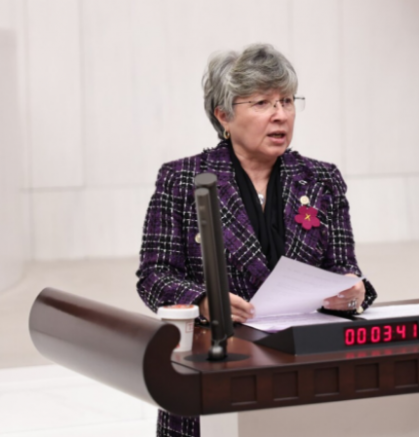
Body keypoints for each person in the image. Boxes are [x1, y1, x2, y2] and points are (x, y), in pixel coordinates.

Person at [136, 43, 377, 437]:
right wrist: (204, 301)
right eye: (263, 103)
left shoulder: (321, 180)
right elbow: (154, 276)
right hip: (218, 364)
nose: (280, 114)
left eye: (287, 101)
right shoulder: (182, 180)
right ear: (224, 115)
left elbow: (343, 266)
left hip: (304, 365)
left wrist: (353, 291)